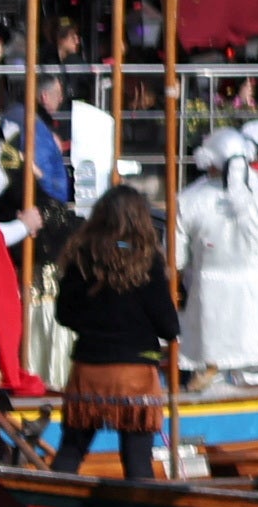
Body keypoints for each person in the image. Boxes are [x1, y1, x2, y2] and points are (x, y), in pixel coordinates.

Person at [47, 189, 176, 476]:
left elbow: (64, 314)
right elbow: (168, 326)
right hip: (135, 373)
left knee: (71, 451)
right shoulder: (147, 260)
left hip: (89, 368)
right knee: (137, 461)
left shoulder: (81, 257)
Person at [175, 125, 258, 386]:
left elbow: (174, 260)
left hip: (209, 312)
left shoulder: (187, 201)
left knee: (210, 386)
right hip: (256, 311)